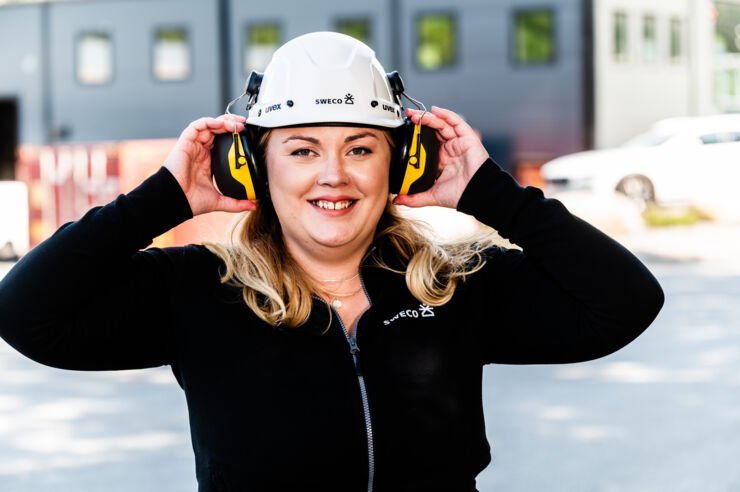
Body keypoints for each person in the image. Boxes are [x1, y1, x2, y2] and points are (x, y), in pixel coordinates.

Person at [0, 32, 663, 492]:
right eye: (302, 149)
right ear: (252, 167)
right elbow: (26, 313)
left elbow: (625, 303)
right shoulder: (198, 290)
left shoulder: (453, 285)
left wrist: (491, 193)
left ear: (401, 162)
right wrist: (161, 200)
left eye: (360, 148)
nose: (334, 175)